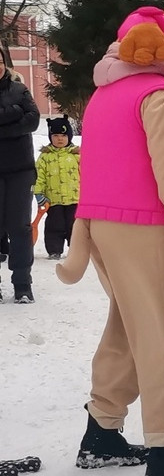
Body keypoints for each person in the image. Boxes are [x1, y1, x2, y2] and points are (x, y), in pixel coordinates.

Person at [54, 5, 164, 476]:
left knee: (127, 328)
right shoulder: (158, 94)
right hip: (146, 227)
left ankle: (102, 431)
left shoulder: (104, 93)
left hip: (102, 224)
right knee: (162, 335)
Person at [0, 53, 38, 302]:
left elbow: (33, 120)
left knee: (20, 228)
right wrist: (14, 113)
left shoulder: (20, 89)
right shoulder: (18, 100)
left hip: (20, 169)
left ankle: (22, 284)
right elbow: (23, 116)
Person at [33, 116, 80, 261]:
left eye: (63, 135)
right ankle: (54, 250)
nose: (60, 139)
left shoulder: (77, 155)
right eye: (55, 135)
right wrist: (39, 193)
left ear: (69, 136)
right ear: (50, 137)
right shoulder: (45, 157)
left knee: (75, 227)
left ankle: (77, 250)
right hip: (53, 200)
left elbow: (87, 176)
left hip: (75, 199)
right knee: (54, 225)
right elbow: (39, 177)